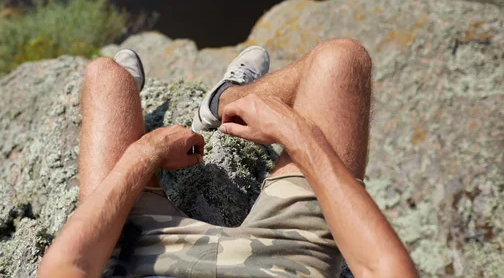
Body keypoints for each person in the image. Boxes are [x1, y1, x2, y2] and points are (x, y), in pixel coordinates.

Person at [38, 40, 417, 278]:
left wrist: (146, 152)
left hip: (143, 252)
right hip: (292, 258)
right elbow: (382, 267)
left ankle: (218, 102)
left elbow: (68, 264)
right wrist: (296, 133)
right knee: (341, 61)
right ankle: (223, 103)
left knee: (107, 77)